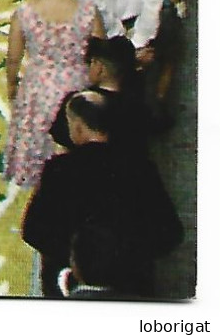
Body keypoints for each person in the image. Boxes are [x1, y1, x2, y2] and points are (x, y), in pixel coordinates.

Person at [22, 90, 183, 298]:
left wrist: (75, 259)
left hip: (68, 285)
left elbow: (34, 231)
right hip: (132, 285)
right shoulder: (140, 167)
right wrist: (129, 259)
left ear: (78, 127)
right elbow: (170, 233)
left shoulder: (59, 170)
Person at [4, 0, 104, 187]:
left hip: (38, 90)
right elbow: (100, 54)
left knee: (40, 148)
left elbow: (13, 59)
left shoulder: (25, 13)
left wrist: (12, 87)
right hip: (77, 87)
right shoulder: (89, 11)